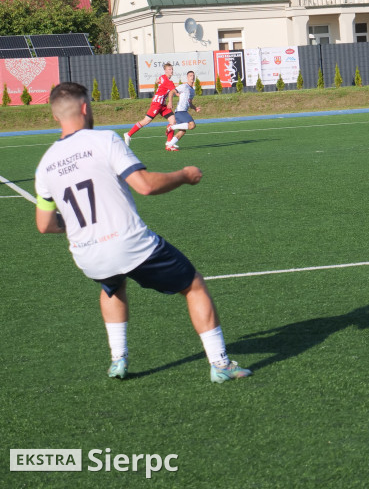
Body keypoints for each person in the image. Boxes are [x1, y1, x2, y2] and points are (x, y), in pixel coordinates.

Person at [34, 82, 251, 383]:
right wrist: (185, 176)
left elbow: (45, 224)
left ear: (55, 116)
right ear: (85, 108)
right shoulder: (104, 140)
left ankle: (118, 360)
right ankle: (220, 364)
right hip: (129, 244)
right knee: (194, 285)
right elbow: (145, 185)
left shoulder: (45, 165)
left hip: (88, 255)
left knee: (111, 285)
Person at [124, 63, 177, 145]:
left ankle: (169, 144)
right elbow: (174, 92)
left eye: (172, 69)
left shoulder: (162, 77)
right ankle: (128, 134)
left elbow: (158, 80)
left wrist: (157, 82)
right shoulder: (168, 82)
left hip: (163, 105)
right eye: (169, 69)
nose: (171, 71)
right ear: (165, 70)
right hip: (157, 103)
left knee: (173, 121)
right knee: (146, 120)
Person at [166, 71, 201, 151]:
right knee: (192, 125)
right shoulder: (184, 86)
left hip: (183, 111)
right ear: (187, 77)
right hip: (180, 111)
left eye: (193, 75)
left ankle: (170, 145)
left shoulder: (192, 91)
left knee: (182, 131)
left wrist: (195, 108)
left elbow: (190, 102)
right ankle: (172, 127)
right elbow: (171, 92)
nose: (192, 77)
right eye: (190, 75)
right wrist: (170, 102)